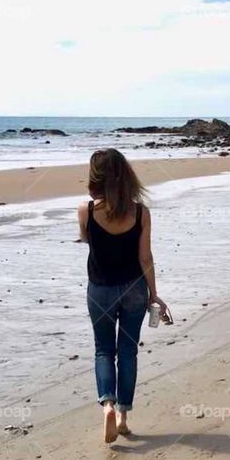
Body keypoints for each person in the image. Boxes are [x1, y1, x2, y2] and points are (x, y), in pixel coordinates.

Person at [78, 148, 169, 443]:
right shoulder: (141, 213)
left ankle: (107, 404)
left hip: (100, 290)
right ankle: (123, 417)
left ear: (95, 179)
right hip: (134, 290)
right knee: (128, 351)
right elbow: (145, 258)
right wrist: (154, 294)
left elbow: (87, 240)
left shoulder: (86, 211)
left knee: (104, 350)